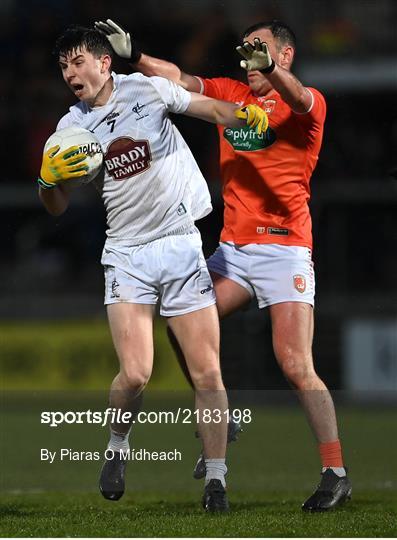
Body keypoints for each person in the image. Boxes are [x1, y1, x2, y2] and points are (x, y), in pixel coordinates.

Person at [95, 18, 353, 512]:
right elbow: (177, 79)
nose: (248, 59)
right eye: (247, 50)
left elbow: (297, 98)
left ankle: (334, 470)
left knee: (296, 364)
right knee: (178, 321)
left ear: (285, 55)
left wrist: (273, 72)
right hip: (233, 252)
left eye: (261, 50)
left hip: (285, 249)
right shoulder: (232, 92)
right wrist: (136, 54)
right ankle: (222, 416)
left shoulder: (307, 102)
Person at [37, 24, 268, 513]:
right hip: (127, 253)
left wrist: (246, 117)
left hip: (181, 245)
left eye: (79, 62)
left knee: (208, 373)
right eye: (63, 67)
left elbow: (210, 109)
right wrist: (46, 181)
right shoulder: (70, 130)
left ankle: (217, 484)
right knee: (137, 374)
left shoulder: (146, 88)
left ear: (104, 62)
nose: (71, 73)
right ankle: (118, 446)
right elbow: (55, 205)